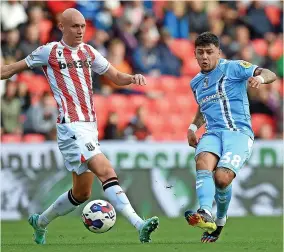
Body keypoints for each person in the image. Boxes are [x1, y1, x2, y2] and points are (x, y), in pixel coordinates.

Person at [0, 8, 159, 244]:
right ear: (61, 26)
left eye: (83, 26)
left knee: (81, 193)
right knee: (106, 171)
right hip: (71, 127)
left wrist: (131, 78)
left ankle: (40, 222)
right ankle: (139, 224)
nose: (80, 30)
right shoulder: (50, 51)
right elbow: (10, 69)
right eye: (75, 26)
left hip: (89, 126)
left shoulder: (88, 52)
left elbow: (115, 76)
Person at [184, 32, 276, 243]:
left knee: (222, 178)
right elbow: (203, 107)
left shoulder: (234, 67)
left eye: (209, 52)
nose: (205, 57)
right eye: (200, 53)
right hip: (212, 133)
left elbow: (270, 73)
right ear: (195, 55)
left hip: (238, 132)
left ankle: (220, 219)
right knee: (202, 161)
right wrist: (192, 127)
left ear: (219, 53)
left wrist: (259, 78)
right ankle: (205, 211)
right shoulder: (196, 83)